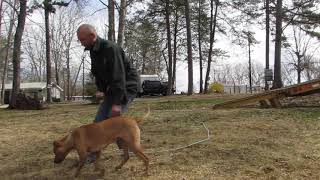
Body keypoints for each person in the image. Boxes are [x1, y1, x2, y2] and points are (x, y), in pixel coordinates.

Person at [77, 24, 139, 162]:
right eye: (80, 40)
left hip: (126, 87)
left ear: (92, 36)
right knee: (99, 121)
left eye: (82, 40)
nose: (81, 43)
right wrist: (102, 89)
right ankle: (93, 155)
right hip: (113, 88)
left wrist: (117, 103)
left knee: (112, 120)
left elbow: (119, 76)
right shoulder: (93, 50)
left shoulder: (110, 48)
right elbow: (98, 73)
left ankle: (130, 149)